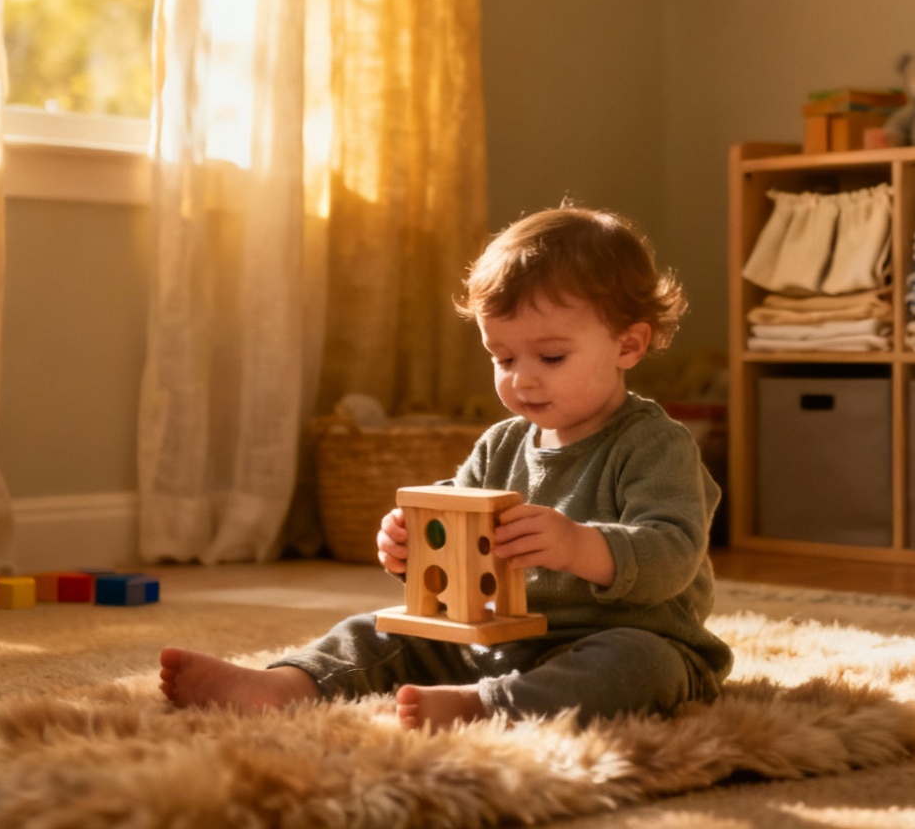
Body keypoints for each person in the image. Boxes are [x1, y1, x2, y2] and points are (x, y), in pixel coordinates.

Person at [159, 206, 732, 726]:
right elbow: (456, 532)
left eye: (551, 357)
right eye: (502, 357)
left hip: (624, 636)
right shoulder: (501, 444)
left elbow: (674, 553)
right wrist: (415, 543)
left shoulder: (656, 444)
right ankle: (283, 685)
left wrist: (578, 545)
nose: (521, 379)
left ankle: (486, 705)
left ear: (628, 346)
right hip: (496, 637)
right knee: (375, 628)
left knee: (637, 667)